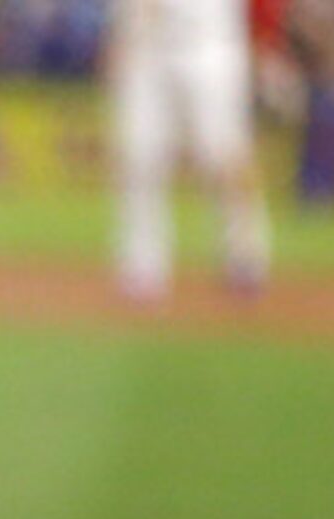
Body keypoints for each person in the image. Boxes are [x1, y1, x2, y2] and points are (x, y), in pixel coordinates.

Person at [107, 0, 278, 297]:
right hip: (145, 44)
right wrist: (117, 39)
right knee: (139, 155)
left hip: (209, 42)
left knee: (221, 152)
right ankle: (142, 267)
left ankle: (245, 253)